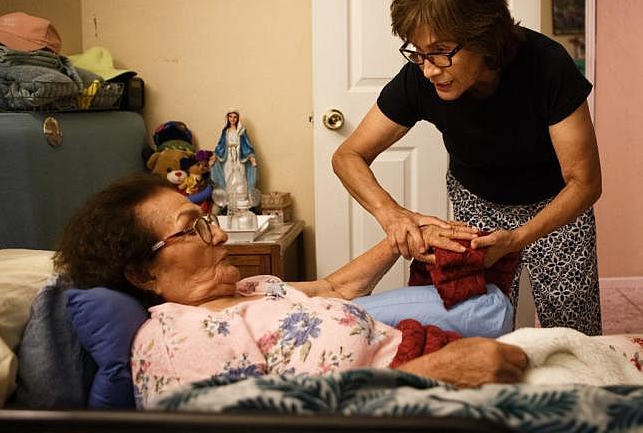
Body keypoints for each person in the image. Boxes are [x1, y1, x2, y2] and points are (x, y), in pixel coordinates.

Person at [52, 173, 529, 407]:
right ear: (142, 273)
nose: (218, 234)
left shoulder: (247, 289)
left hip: (418, 367)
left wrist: (403, 235)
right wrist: (432, 374)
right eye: (192, 228)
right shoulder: (180, 339)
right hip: (411, 394)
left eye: (208, 221)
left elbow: (335, 287)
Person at [332, 0, 603, 335]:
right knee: (479, 323)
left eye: (441, 51)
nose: (427, 69)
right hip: (476, 202)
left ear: (485, 36)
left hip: (556, 206)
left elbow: (585, 183)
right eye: (418, 52)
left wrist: (519, 238)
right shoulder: (422, 75)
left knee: (575, 328)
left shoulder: (548, 67)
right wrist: (393, 215)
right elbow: (348, 155)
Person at [210, 109, 258, 206]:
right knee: (228, 174)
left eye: (235, 117)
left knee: (241, 174)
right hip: (228, 157)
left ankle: (242, 199)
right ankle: (229, 201)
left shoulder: (241, 131)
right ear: (227, 118)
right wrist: (214, 156)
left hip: (239, 157)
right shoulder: (225, 131)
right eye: (230, 117)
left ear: (237, 118)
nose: (232, 119)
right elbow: (221, 145)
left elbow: (246, 145)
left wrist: (251, 157)